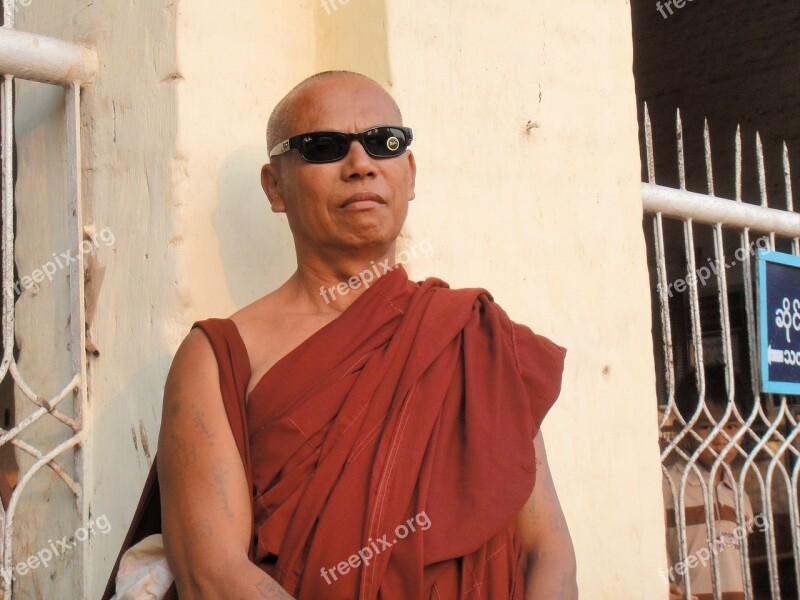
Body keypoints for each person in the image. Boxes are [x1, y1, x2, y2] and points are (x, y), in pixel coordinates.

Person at [157, 70, 578, 599]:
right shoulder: (220, 357)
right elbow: (213, 574)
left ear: (410, 172)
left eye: (385, 143)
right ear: (274, 186)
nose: (361, 165)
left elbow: (549, 550)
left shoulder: (471, 336)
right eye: (324, 147)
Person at [663, 366, 755, 600]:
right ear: (683, 429)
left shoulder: (739, 495)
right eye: (705, 427)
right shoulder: (667, 485)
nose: (720, 438)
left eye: (731, 426)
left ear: (744, 431)